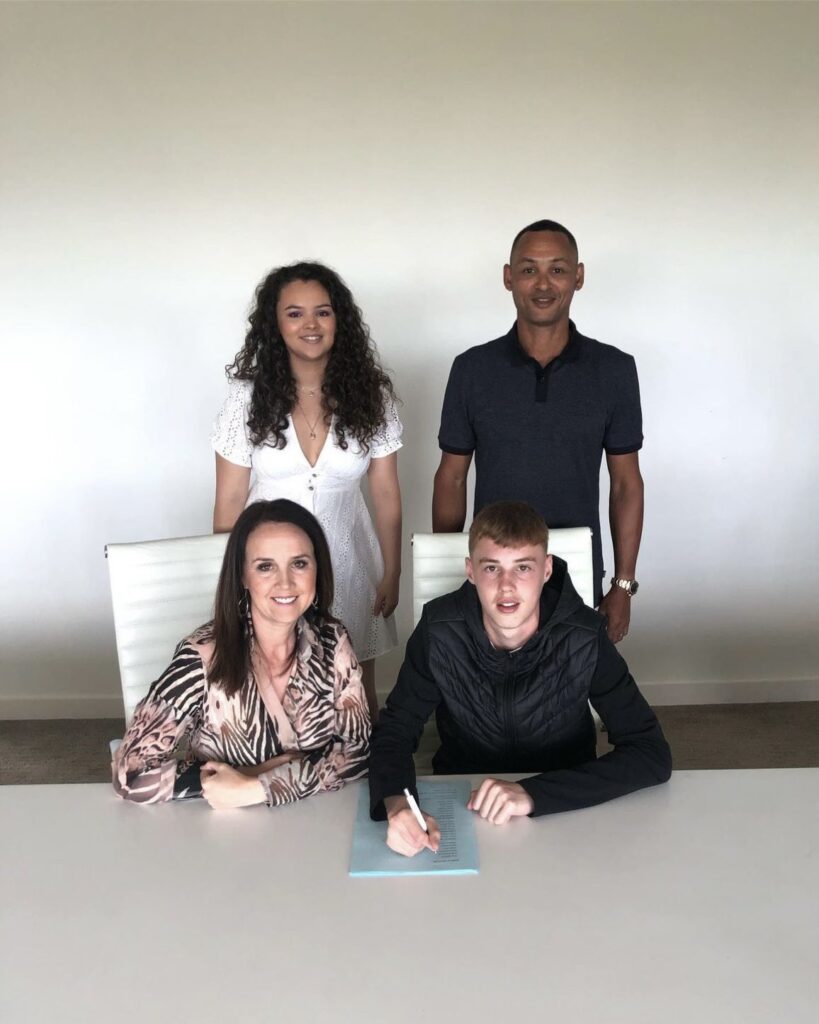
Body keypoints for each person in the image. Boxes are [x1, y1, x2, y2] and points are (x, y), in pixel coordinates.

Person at [368, 501, 670, 857]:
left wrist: (533, 793)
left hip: (564, 808)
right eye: (492, 568)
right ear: (470, 571)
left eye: (523, 567)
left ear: (546, 570)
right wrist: (397, 804)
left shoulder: (585, 635)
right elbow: (394, 731)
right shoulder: (439, 629)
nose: (507, 586)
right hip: (467, 803)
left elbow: (650, 753)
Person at [433, 219, 644, 645]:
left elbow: (625, 484)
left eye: (558, 269)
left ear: (578, 276)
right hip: (493, 571)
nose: (543, 283)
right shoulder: (472, 369)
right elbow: (452, 476)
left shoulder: (615, 370)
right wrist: (446, 568)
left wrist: (622, 586)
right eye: (529, 270)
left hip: (577, 568)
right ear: (508, 278)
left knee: (572, 702)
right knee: (482, 699)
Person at [211, 261, 402, 720]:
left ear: (341, 320)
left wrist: (391, 570)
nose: (310, 325)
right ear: (275, 324)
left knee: (356, 686)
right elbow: (230, 501)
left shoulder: (372, 396)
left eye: (323, 312)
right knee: (270, 679)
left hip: (351, 559)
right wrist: (226, 576)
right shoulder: (246, 398)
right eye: (295, 313)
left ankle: (361, 773)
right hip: (268, 564)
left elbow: (386, 494)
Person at [112, 499, 370, 808]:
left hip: (315, 820)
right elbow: (130, 774)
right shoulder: (203, 656)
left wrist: (258, 785)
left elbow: (358, 749)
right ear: (243, 577)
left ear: (318, 568)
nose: (285, 582)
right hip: (223, 831)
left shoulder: (332, 641)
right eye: (265, 566)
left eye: (299, 563)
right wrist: (257, 777)